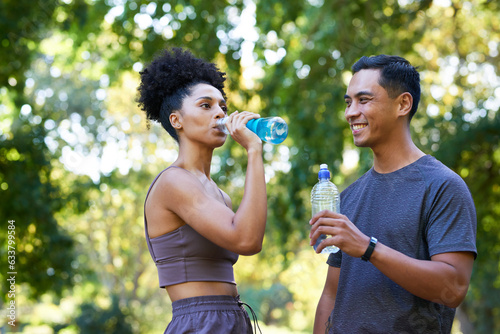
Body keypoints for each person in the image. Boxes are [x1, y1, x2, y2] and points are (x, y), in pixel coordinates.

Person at [309, 55, 477, 333]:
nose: (351, 112)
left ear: (403, 104)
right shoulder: (349, 196)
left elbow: (454, 288)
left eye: (363, 100)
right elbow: (330, 294)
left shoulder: (442, 186)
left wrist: (367, 248)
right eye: (348, 102)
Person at [137, 47, 265, 334]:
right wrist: (254, 151)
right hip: (200, 323)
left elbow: (250, 237)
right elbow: (247, 241)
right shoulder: (173, 182)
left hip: (232, 318)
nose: (220, 113)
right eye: (206, 105)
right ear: (176, 120)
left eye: (222, 106)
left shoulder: (219, 194)